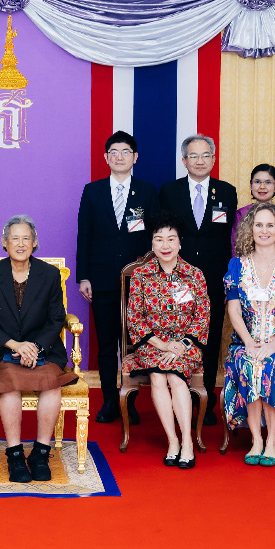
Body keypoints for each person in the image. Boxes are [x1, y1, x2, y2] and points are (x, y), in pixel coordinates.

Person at [0, 215, 79, 483]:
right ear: (4, 243)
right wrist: (15, 345)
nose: (20, 244)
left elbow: (57, 318)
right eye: (14, 238)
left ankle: (41, 453)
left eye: (26, 238)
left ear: (34, 243)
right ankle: (15, 454)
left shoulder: (49, 274)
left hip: (42, 348)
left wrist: (34, 346)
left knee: (51, 383)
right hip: (4, 349)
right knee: (10, 382)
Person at [76, 130, 160, 424]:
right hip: (100, 279)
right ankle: (111, 400)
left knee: (135, 342)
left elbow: (154, 238)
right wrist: (83, 276)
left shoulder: (149, 192)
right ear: (106, 158)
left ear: (135, 157)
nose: (120, 157)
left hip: (138, 283)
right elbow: (84, 235)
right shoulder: (93, 191)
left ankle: (131, 400)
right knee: (107, 342)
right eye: (114, 152)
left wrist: (152, 277)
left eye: (126, 152)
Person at [158, 135, 238, 426]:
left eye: (206, 155)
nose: (200, 160)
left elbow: (229, 236)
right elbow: (164, 234)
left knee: (211, 335)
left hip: (214, 279)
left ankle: (205, 398)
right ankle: (182, 394)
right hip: (179, 278)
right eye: (194, 156)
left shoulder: (227, 192)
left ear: (213, 159)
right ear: (184, 161)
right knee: (181, 332)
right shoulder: (169, 191)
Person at [222, 202, 275, 467]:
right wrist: (249, 342)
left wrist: (273, 344)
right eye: (258, 225)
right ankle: (256, 440)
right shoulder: (237, 265)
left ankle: (272, 440)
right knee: (250, 364)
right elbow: (233, 310)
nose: (264, 230)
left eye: (270, 225)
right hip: (244, 342)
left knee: (270, 365)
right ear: (250, 229)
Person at [124, 211, 208, 469]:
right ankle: (173, 441)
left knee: (175, 375)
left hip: (187, 345)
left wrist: (180, 346)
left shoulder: (194, 274)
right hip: (152, 345)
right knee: (159, 375)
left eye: (171, 239)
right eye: (159, 239)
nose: (165, 245)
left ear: (180, 242)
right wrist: (162, 345)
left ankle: (187, 442)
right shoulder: (141, 275)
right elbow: (134, 316)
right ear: (152, 243)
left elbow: (202, 315)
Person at [232, 164, 275, 255]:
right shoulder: (241, 214)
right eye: (257, 182)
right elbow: (235, 248)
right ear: (251, 185)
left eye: (268, 182)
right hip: (247, 266)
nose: (262, 187)